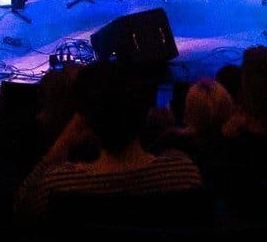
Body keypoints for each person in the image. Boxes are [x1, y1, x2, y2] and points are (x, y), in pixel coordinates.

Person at [13, 62, 203, 222]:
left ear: (84, 121)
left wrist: (62, 142)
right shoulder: (182, 173)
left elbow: (20, 207)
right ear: (145, 113)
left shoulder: (59, 183)